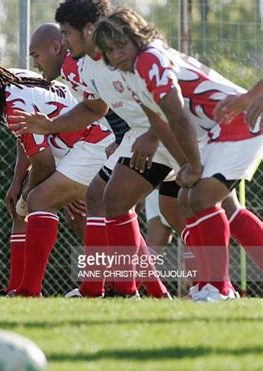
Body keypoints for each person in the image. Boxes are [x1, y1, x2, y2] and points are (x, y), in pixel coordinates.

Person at [93, 7, 262, 301]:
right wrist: (186, 167)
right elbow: (159, 122)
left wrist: (193, 166)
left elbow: (178, 116)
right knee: (186, 200)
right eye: (109, 50)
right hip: (216, 130)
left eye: (121, 45)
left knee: (201, 197)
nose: (117, 54)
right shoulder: (132, 69)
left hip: (240, 122)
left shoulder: (149, 58)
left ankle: (218, 288)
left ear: (137, 36)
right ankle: (209, 286)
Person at [29, 21, 171, 298]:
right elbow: (103, 106)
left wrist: (138, 135)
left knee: (200, 206)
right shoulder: (79, 65)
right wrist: (120, 138)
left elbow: (105, 105)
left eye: (35, 55)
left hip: (161, 132)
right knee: (106, 199)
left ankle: (212, 286)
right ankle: (124, 290)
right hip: (141, 134)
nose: (34, 63)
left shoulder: (79, 63)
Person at [0, 59, 114, 297]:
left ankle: (28, 291)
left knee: (37, 201)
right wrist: (20, 182)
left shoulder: (14, 103)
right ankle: (119, 288)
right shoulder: (11, 85)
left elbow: (43, 162)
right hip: (79, 147)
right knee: (85, 216)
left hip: (91, 144)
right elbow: (31, 143)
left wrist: (26, 195)